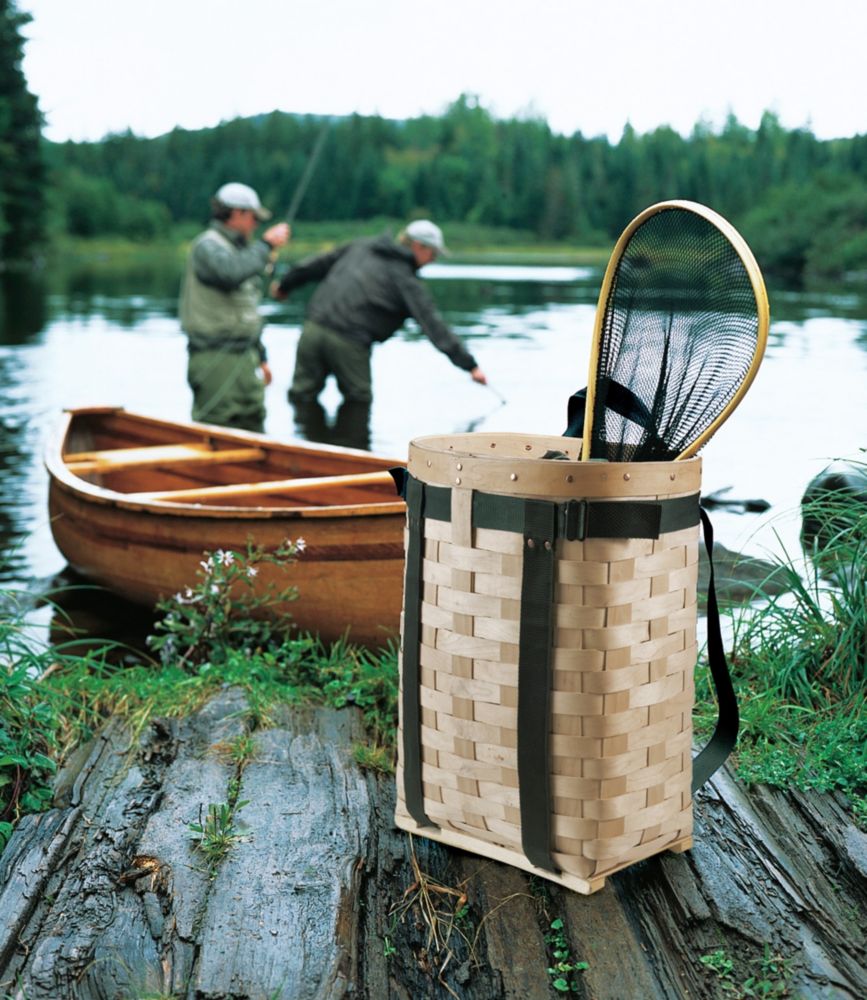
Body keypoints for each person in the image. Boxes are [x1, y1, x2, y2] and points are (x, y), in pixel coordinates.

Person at [271, 220, 488, 412]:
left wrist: (284, 285)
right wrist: (470, 366)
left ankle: (300, 447)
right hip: (349, 342)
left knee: (302, 396)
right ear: (417, 246)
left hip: (312, 330)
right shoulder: (407, 281)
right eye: (433, 253)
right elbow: (434, 327)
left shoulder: (362, 246)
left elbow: (313, 266)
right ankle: (350, 454)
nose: (433, 260)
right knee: (358, 401)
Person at [179, 182, 290, 432]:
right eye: (253, 217)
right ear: (237, 213)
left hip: (246, 360)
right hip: (214, 360)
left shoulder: (243, 252)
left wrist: (261, 357)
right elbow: (230, 272)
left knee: (255, 426)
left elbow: (247, 309)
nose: (256, 224)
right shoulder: (206, 246)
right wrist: (266, 245)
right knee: (216, 431)